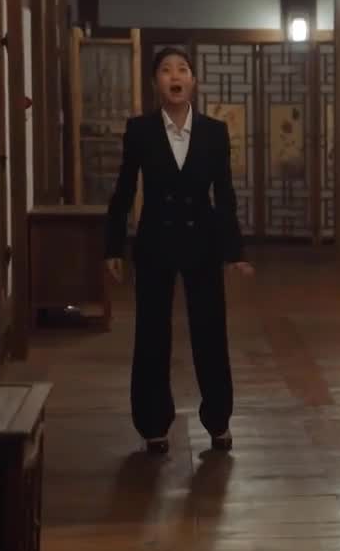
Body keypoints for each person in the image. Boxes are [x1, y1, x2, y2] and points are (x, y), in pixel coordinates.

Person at [104, 46, 254, 455]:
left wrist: (235, 251)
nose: (175, 76)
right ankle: (153, 424)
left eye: (183, 69)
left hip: (202, 241)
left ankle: (218, 421)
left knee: (210, 331)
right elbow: (124, 190)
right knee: (151, 333)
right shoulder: (140, 130)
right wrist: (113, 246)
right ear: (156, 82)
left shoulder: (214, 132)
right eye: (167, 70)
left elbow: (224, 195)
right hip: (155, 240)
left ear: (193, 81)